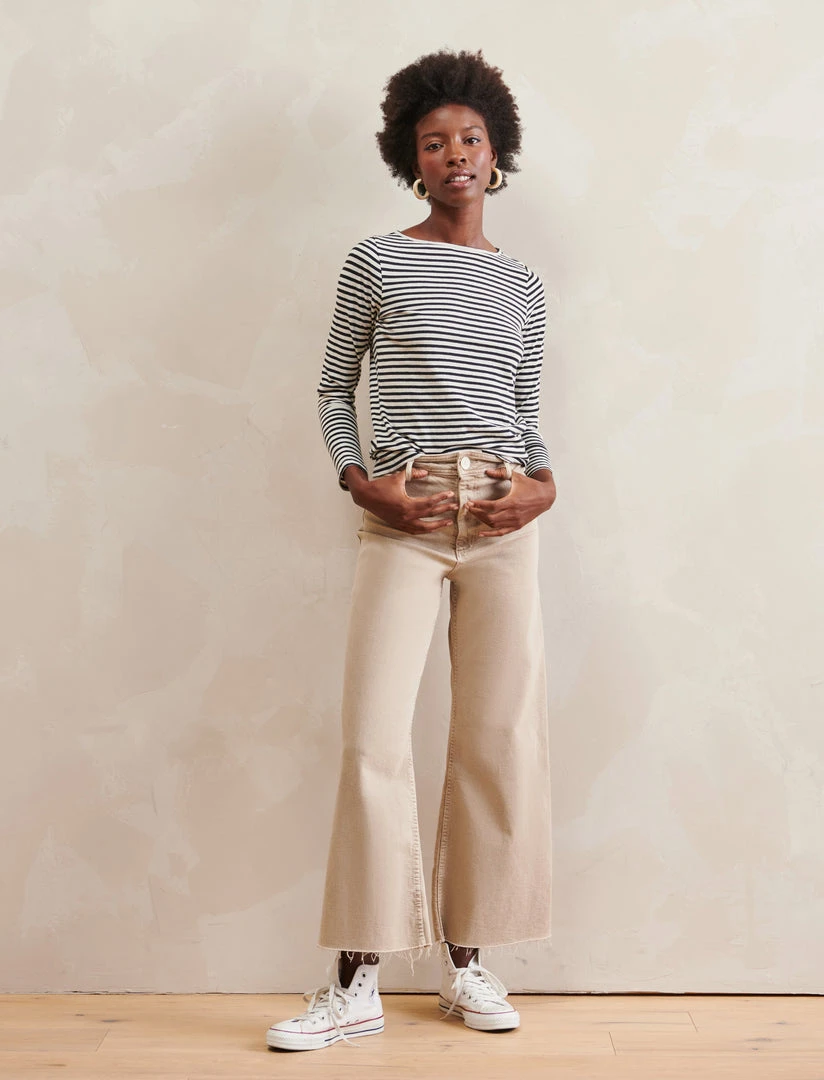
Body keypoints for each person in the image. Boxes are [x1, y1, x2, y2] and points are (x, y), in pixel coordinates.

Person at [266, 48, 556, 1053]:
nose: (455, 154)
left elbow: (524, 409)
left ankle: (468, 963)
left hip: (506, 514)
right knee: (372, 740)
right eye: (434, 143)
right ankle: (357, 980)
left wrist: (546, 483)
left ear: (496, 150)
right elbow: (331, 387)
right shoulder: (376, 262)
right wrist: (361, 479)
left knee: (497, 738)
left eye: (470, 138)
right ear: (411, 159)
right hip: (408, 509)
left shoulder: (522, 284)